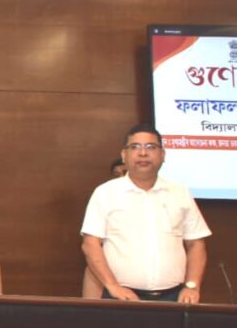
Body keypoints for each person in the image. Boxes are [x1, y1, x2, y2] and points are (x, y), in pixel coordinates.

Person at [81, 124, 211, 303]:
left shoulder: (180, 193)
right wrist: (113, 286)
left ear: (162, 155)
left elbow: (196, 244)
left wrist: (192, 286)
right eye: (135, 147)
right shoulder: (105, 193)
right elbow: (90, 244)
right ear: (124, 155)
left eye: (151, 147)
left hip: (174, 297)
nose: (143, 153)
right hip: (120, 297)